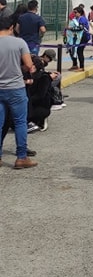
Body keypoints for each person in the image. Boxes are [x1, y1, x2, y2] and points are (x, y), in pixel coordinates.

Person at [0, 14, 38, 169]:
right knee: (20, 122)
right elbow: (29, 65)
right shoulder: (19, 42)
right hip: (16, 87)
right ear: (11, 27)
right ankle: (21, 157)